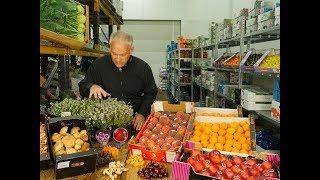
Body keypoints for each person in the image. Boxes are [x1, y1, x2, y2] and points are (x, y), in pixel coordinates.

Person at [79, 30, 158, 131]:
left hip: (134, 121)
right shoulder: (98, 65)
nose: (118, 59)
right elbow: (82, 86)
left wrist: (142, 113)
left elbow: (151, 92)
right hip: (105, 123)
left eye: (123, 54)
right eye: (114, 54)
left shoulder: (142, 67)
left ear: (131, 50)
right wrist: (91, 86)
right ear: (109, 48)